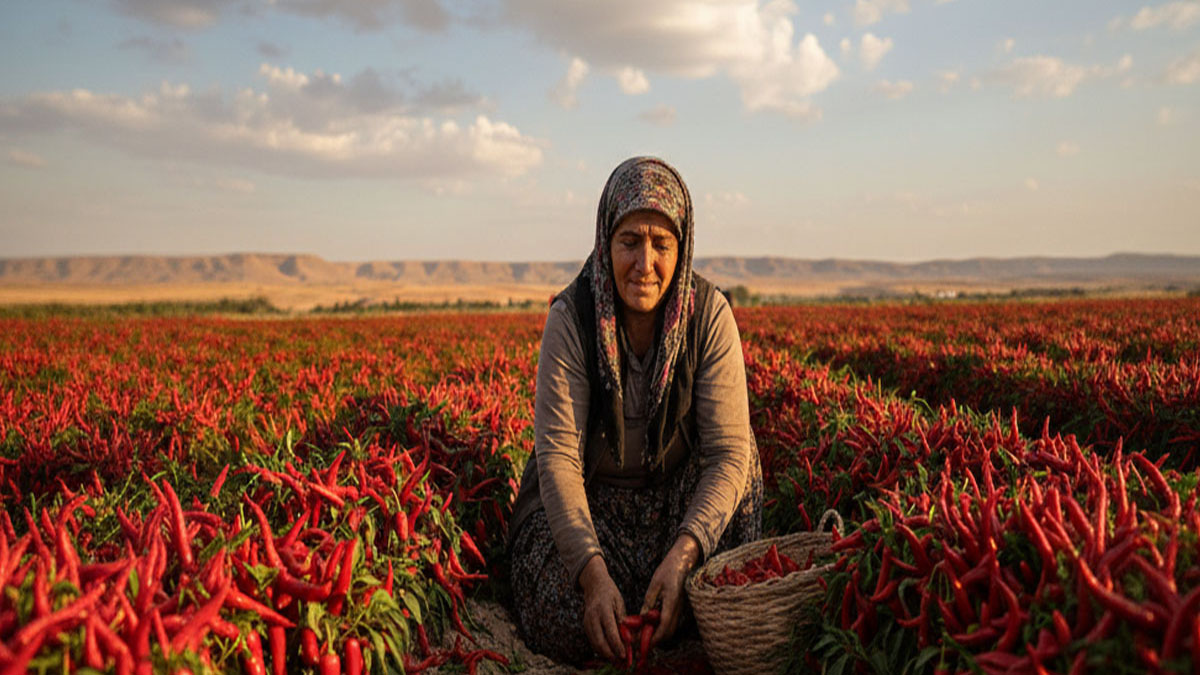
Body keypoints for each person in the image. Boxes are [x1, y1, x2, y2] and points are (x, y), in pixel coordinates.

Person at [508, 156, 763, 664]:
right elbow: (557, 458)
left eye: (661, 244)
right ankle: (650, 616)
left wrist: (685, 555)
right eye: (630, 242)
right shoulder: (572, 319)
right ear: (606, 243)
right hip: (593, 507)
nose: (644, 263)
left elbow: (728, 454)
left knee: (746, 466)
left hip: (676, 510)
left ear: (682, 247)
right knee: (562, 612)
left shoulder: (709, 316)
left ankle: (676, 602)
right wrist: (592, 574)